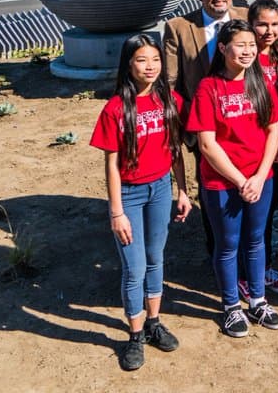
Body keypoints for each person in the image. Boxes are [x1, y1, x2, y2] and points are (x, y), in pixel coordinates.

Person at [91, 34, 191, 371]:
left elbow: (176, 149)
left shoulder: (170, 100)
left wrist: (182, 190)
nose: (150, 67)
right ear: (128, 64)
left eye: (155, 60)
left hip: (161, 189)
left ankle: (153, 322)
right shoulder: (116, 109)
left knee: (155, 259)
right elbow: (111, 165)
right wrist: (117, 211)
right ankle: (134, 336)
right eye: (141, 60)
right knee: (134, 268)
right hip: (131, 196)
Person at [185, 20, 278, 337]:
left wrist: (258, 176)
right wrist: (241, 180)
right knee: (228, 245)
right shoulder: (209, 88)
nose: (248, 50)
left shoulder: (261, 84)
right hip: (223, 183)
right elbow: (206, 144)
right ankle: (231, 306)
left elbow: (274, 131)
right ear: (224, 48)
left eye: (251, 45)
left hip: (260, 179)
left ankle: (257, 300)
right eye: (240, 44)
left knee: (255, 241)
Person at [162, 0, 248, 256]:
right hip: (206, 126)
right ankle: (219, 252)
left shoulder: (247, 19)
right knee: (213, 189)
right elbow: (171, 83)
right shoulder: (179, 28)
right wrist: (189, 119)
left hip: (245, 122)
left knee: (249, 187)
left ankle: (252, 253)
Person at [247, 0, 278, 297]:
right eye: (262, 24)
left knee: (267, 210)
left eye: (274, 24)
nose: (268, 30)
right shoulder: (244, 57)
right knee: (250, 212)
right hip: (251, 149)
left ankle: (259, 267)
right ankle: (249, 270)